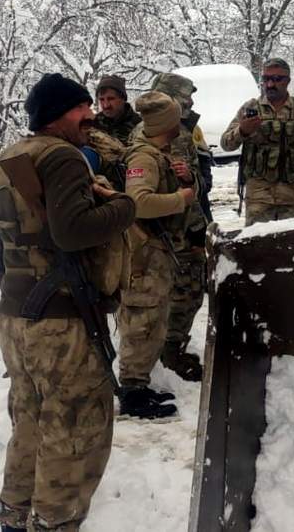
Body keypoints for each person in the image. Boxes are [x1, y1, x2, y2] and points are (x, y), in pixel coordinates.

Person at [0, 73, 137, 532]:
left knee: (30, 419)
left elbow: (0, 244)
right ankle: (54, 523)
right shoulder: (63, 156)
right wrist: (125, 207)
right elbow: (71, 232)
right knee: (74, 431)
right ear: (60, 113)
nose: (91, 117)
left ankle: (15, 514)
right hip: (61, 325)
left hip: (16, 317)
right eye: (82, 109)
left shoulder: (10, 157)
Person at [116, 91, 198, 417]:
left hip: (156, 252)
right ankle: (132, 391)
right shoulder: (144, 159)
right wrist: (181, 198)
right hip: (143, 255)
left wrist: (185, 180)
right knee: (141, 322)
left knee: (153, 322)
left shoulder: (160, 154)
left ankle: (139, 384)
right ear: (168, 123)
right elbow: (138, 202)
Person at [143, 72, 213, 381]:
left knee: (190, 290)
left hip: (187, 225)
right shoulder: (150, 136)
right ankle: (167, 353)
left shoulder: (186, 132)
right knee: (184, 292)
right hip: (171, 230)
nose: (191, 104)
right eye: (185, 99)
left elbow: (199, 180)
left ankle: (169, 348)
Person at [220, 58, 294, 226]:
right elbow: (226, 144)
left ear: (288, 81)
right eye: (266, 79)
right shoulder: (250, 108)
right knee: (258, 249)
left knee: (293, 247)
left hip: (293, 197)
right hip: (259, 198)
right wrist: (242, 131)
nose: (270, 84)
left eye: (277, 79)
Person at [88, 74, 141, 190]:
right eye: (102, 100)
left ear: (123, 98)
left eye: (111, 99)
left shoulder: (139, 125)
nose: (106, 105)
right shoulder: (93, 123)